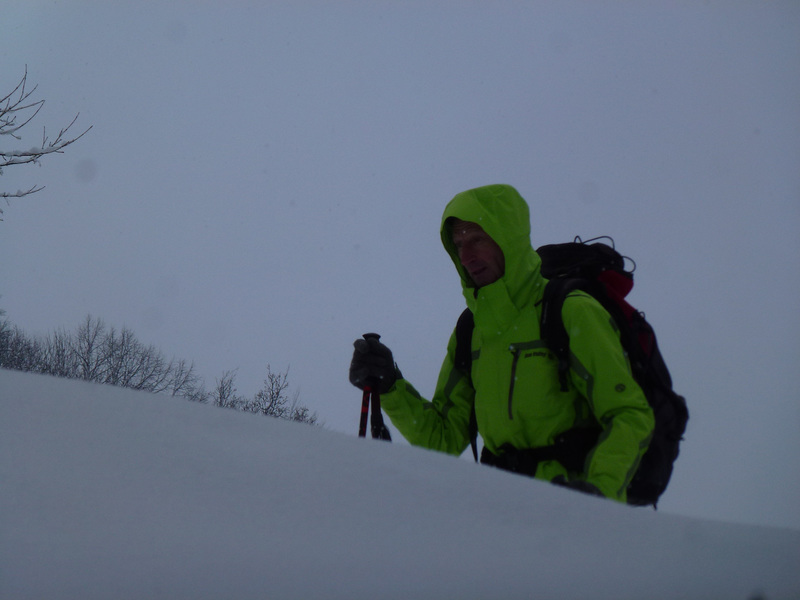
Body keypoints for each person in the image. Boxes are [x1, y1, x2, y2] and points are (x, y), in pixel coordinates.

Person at [349, 184, 654, 502]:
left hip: (571, 508)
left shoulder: (570, 310)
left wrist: (599, 491)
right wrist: (390, 388)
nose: (465, 256)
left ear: (508, 239)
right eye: (458, 244)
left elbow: (629, 415)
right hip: (500, 507)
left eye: (476, 239)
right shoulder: (472, 329)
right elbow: (443, 439)